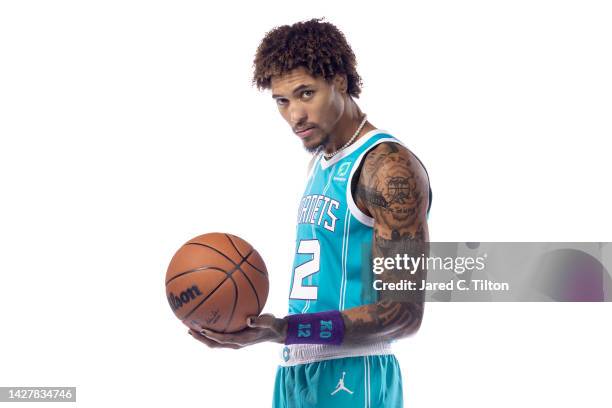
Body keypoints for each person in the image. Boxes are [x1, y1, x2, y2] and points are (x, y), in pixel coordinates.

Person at [189, 18, 432, 408]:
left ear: (339, 81)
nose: (294, 115)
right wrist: (281, 334)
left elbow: (404, 314)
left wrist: (285, 329)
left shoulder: (387, 167)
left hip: (355, 372)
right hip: (296, 370)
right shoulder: (322, 163)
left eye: (306, 94)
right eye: (282, 101)